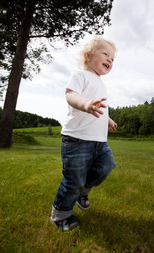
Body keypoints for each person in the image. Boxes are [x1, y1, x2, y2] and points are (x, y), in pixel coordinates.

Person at [50, 35, 117, 232]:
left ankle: (83, 193)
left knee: (106, 166)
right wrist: (86, 104)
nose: (110, 60)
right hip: (77, 140)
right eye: (105, 54)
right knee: (74, 179)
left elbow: (101, 106)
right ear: (88, 56)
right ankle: (61, 215)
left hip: (99, 142)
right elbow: (71, 95)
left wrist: (108, 119)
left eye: (113, 58)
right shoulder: (80, 75)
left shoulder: (100, 82)